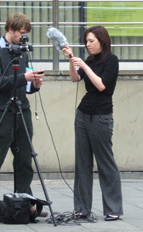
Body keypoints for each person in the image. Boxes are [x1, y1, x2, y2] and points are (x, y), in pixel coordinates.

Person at [0, 13, 48, 219]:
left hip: (21, 110)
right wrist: (22, 77)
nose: (24, 39)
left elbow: (23, 86)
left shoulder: (22, 52)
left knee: (25, 158)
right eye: (22, 34)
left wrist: (33, 84)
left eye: (26, 35)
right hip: (1, 111)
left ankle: (25, 200)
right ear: (11, 29)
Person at [62, 26, 123, 221]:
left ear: (102, 41)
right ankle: (81, 208)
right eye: (86, 41)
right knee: (82, 163)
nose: (87, 45)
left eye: (91, 41)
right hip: (83, 114)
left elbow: (102, 85)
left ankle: (113, 208)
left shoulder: (111, 61)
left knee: (105, 162)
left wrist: (85, 67)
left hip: (101, 116)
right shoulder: (88, 60)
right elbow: (75, 78)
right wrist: (72, 61)